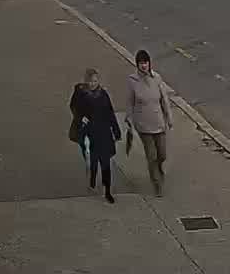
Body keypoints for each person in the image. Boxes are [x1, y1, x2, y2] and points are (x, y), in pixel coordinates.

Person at [69, 69, 122, 202]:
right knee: (93, 161)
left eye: (95, 81)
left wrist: (116, 130)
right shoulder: (81, 94)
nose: (93, 84)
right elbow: (73, 107)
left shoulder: (103, 94)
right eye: (90, 81)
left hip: (103, 133)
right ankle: (92, 179)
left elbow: (110, 113)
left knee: (106, 163)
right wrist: (81, 117)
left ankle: (107, 190)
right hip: (90, 133)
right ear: (86, 81)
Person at [125, 49, 173, 197]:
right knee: (151, 156)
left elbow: (164, 99)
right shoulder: (133, 81)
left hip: (158, 122)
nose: (144, 65)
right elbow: (130, 102)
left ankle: (159, 168)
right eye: (141, 63)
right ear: (137, 65)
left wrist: (169, 117)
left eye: (145, 62)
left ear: (149, 63)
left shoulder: (157, 78)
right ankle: (157, 183)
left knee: (162, 154)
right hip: (143, 124)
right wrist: (129, 119)